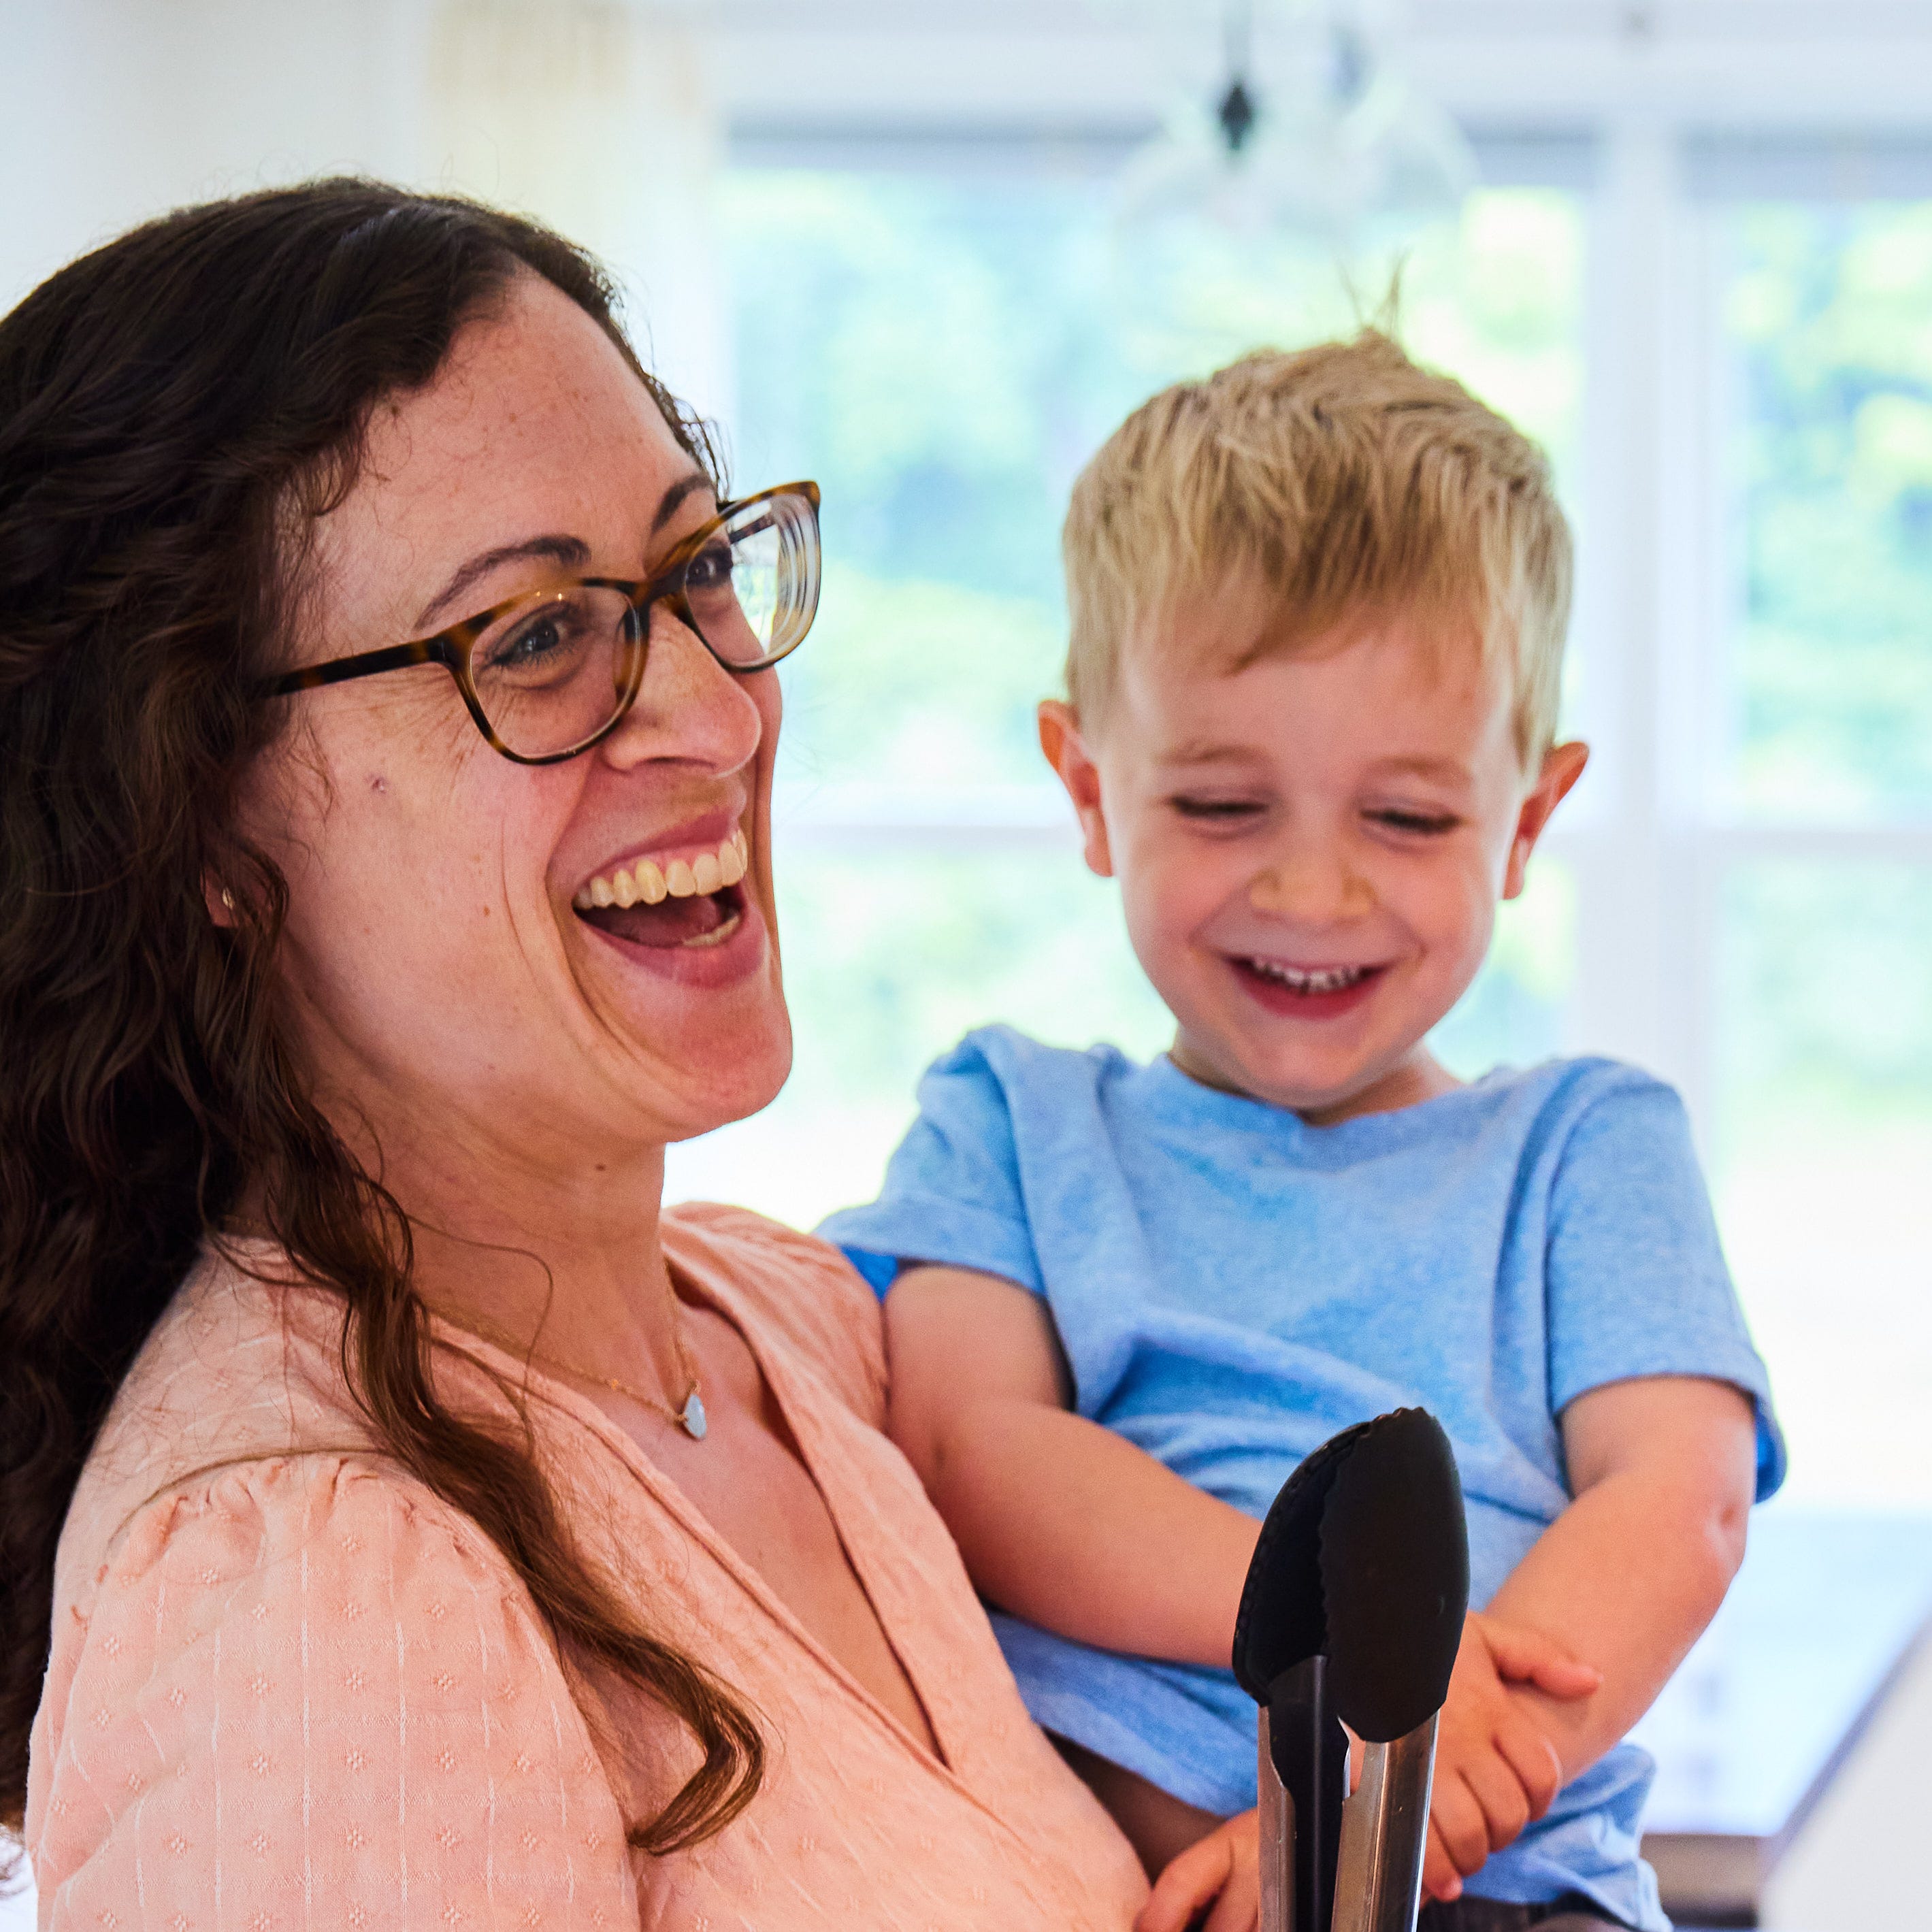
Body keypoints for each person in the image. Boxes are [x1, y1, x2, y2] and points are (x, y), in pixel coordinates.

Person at [0, 180, 1258, 1929]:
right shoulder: (314, 1601)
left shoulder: (786, 1332)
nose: (718, 710)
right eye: (529, 636)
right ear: (201, 815)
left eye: (696, 572)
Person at [821, 335, 1788, 1932]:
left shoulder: (1585, 1146)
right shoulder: (1009, 1119)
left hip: (1499, 1888)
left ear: (1526, 822)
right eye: (1219, 806)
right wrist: (1337, 1656)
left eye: (1406, 818)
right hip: (1120, 1883)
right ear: (1085, 787)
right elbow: (967, 1452)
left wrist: (1416, 1787)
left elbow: (1676, 1502)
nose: (1313, 893)